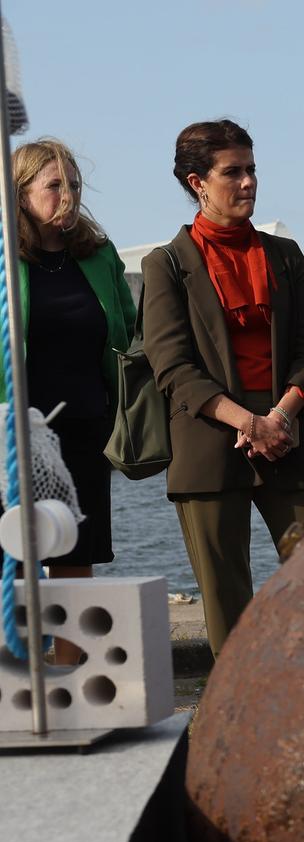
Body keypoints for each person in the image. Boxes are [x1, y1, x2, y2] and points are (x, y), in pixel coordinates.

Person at [142, 120, 304, 657]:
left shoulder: (285, 255)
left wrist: (281, 417)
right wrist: (247, 423)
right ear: (196, 182)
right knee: (227, 599)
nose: (249, 182)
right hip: (210, 443)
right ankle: (234, 721)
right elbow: (171, 365)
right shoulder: (167, 264)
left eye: (252, 170)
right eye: (234, 172)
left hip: (289, 433)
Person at [8, 139, 137, 661]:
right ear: (20, 194)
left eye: (75, 185)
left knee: (74, 549)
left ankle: (71, 675)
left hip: (84, 424)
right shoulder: (2, 254)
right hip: (12, 432)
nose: (68, 196)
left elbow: (126, 332)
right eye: (55, 185)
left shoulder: (98, 254)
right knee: (11, 552)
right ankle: (15, 676)